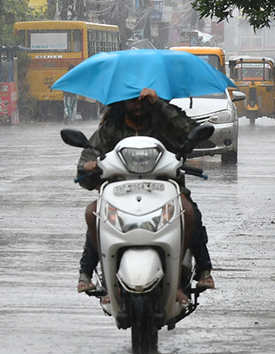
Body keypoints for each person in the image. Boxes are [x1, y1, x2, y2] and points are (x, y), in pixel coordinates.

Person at [76, 87, 216, 294]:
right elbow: (87, 160)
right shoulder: (111, 127)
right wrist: (87, 167)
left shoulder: (164, 119)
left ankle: (203, 269)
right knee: (93, 214)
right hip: (120, 194)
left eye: (142, 100)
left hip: (164, 189)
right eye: (132, 101)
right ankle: (88, 273)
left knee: (188, 212)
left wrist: (160, 104)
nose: (138, 105)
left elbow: (194, 135)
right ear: (123, 102)